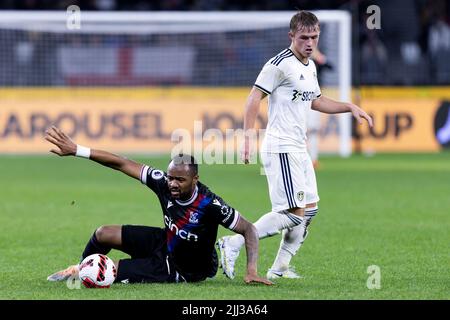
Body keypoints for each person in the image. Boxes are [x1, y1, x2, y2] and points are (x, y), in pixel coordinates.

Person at [217, 11, 373, 280]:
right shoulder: (279, 64)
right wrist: (246, 137)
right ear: (291, 36)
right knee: (292, 214)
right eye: (304, 38)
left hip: (298, 148)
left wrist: (348, 106)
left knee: (309, 209)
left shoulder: (309, 66)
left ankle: (279, 268)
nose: (310, 43)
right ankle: (234, 242)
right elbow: (254, 98)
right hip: (281, 147)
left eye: (314, 37)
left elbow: (316, 101)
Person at [45, 126, 272, 285]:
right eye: (171, 177)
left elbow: (248, 228)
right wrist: (77, 150)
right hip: (166, 242)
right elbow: (121, 163)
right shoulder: (163, 182)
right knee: (104, 233)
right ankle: (79, 266)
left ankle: (83, 274)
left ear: (195, 179)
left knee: (105, 271)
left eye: (180, 180)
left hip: (184, 268)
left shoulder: (209, 203)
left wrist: (251, 270)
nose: (172, 184)